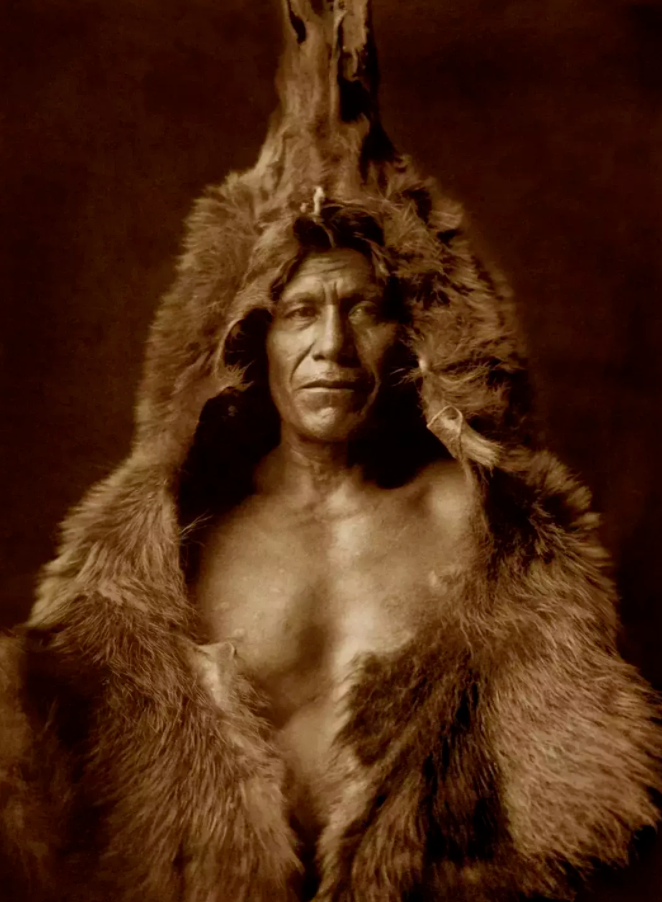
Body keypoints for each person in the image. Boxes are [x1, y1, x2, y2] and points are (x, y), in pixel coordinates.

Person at [1, 1, 660, 901]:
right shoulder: (175, 540)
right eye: (302, 312)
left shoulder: (480, 524)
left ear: (411, 336)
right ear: (254, 338)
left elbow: (577, 794)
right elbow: (65, 783)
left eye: (365, 310)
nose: (333, 348)